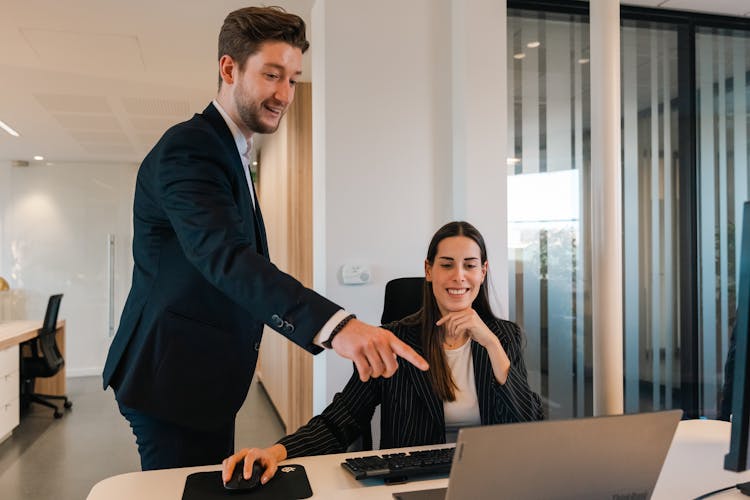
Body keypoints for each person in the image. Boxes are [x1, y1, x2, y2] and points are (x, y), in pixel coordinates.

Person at [101, 6, 427, 471]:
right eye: (273, 75)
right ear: (229, 68)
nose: (285, 94)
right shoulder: (190, 148)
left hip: (201, 377)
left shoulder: (233, 152)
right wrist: (337, 327)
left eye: (293, 79)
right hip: (171, 378)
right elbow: (225, 257)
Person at [222, 221, 544, 485]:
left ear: (483, 272)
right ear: (428, 271)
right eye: (447, 265)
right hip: (415, 483)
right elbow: (341, 420)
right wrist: (277, 452)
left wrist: (492, 345)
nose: (459, 275)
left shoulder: (503, 337)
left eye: (470, 266)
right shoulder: (392, 340)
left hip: (490, 480)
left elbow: (529, 426)